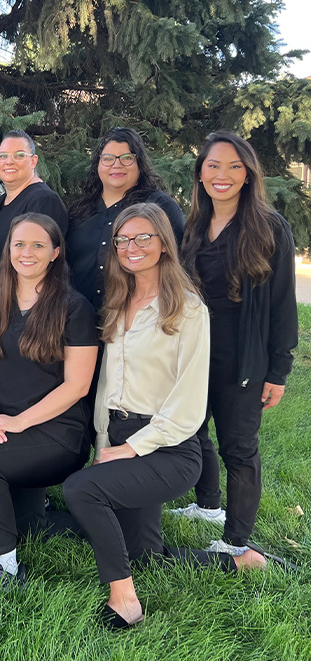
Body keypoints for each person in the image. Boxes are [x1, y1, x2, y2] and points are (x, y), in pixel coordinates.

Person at [62, 203, 267, 630]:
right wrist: (106, 444)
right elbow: (107, 387)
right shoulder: (118, 302)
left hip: (168, 446)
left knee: (81, 491)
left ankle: (124, 599)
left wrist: (131, 449)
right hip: (119, 432)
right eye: (123, 239)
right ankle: (241, 563)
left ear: (163, 244)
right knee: (143, 554)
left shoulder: (187, 309)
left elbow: (188, 404)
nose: (132, 247)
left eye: (143, 238)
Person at [172, 131, 298, 555]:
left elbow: (282, 305)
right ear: (200, 174)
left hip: (242, 357)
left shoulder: (269, 227)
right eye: (213, 166)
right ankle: (208, 506)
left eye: (233, 166)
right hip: (194, 353)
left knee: (239, 447)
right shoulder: (193, 226)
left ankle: (236, 541)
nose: (222, 174)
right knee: (193, 430)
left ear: (248, 175)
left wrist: (278, 370)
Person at [0, 213, 96, 585]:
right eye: (19, 244)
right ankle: (93, 517)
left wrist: (17, 422)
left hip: (57, 433)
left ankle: (3, 568)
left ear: (55, 252)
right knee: (30, 525)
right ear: (8, 250)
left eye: (38, 245)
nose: (26, 252)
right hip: (3, 425)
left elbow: (77, 386)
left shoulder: (74, 307)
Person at [67, 127, 184, 310]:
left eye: (127, 158)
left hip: (136, 322)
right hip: (79, 324)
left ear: (140, 163)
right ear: (98, 164)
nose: (116, 165)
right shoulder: (79, 211)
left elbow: (179, 264)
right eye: (108, 159)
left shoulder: (160, 207)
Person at [0, 130, 67, 295]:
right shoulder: (1, 201)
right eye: (3, 156)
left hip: (24, 307)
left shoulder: (43, 200)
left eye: (19, 155)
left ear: (33, 161)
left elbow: (43, 266)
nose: (9, 162)